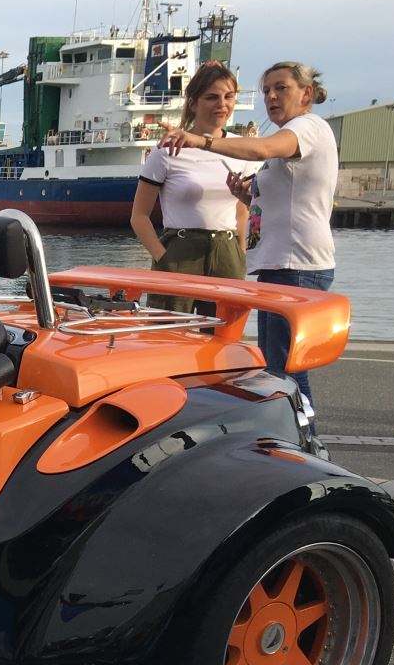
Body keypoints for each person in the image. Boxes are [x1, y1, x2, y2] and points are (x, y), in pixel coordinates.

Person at [161, 60, 337, 412]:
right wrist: (246, 195)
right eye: (267, 90)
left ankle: (305, 441)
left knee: (285, 369)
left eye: (281, 88)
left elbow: (260, 150)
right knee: (277, 364)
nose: (271, 96)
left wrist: (200, 140)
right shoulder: (293, 136)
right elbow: (280, 198)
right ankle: (299, 440)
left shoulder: (307, 127)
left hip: (296, 265)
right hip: (281, 264)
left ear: (306, 93)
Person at [131, 62, 258, 302]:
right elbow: (138, 216)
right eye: (212, 97)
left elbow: (241, 211)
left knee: (223, 335)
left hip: (227, 252)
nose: (222, 104)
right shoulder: (167, 152)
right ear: (193, 103)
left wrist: (240, 253)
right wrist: (162, 257)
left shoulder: (242, 149)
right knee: (171, 333)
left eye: (228, 96)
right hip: (179, 251)